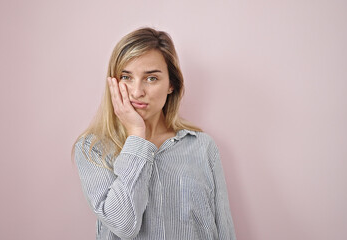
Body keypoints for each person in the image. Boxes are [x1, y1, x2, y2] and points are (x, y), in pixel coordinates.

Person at [72, 27, 236, 239]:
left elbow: (224, 230)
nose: (137, 91)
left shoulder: (202, 147)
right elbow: (124, 226)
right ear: (113, 82)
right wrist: (136, 135)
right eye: (126, 77)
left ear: (171, 84)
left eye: (151, 78)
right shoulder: (92, 149)